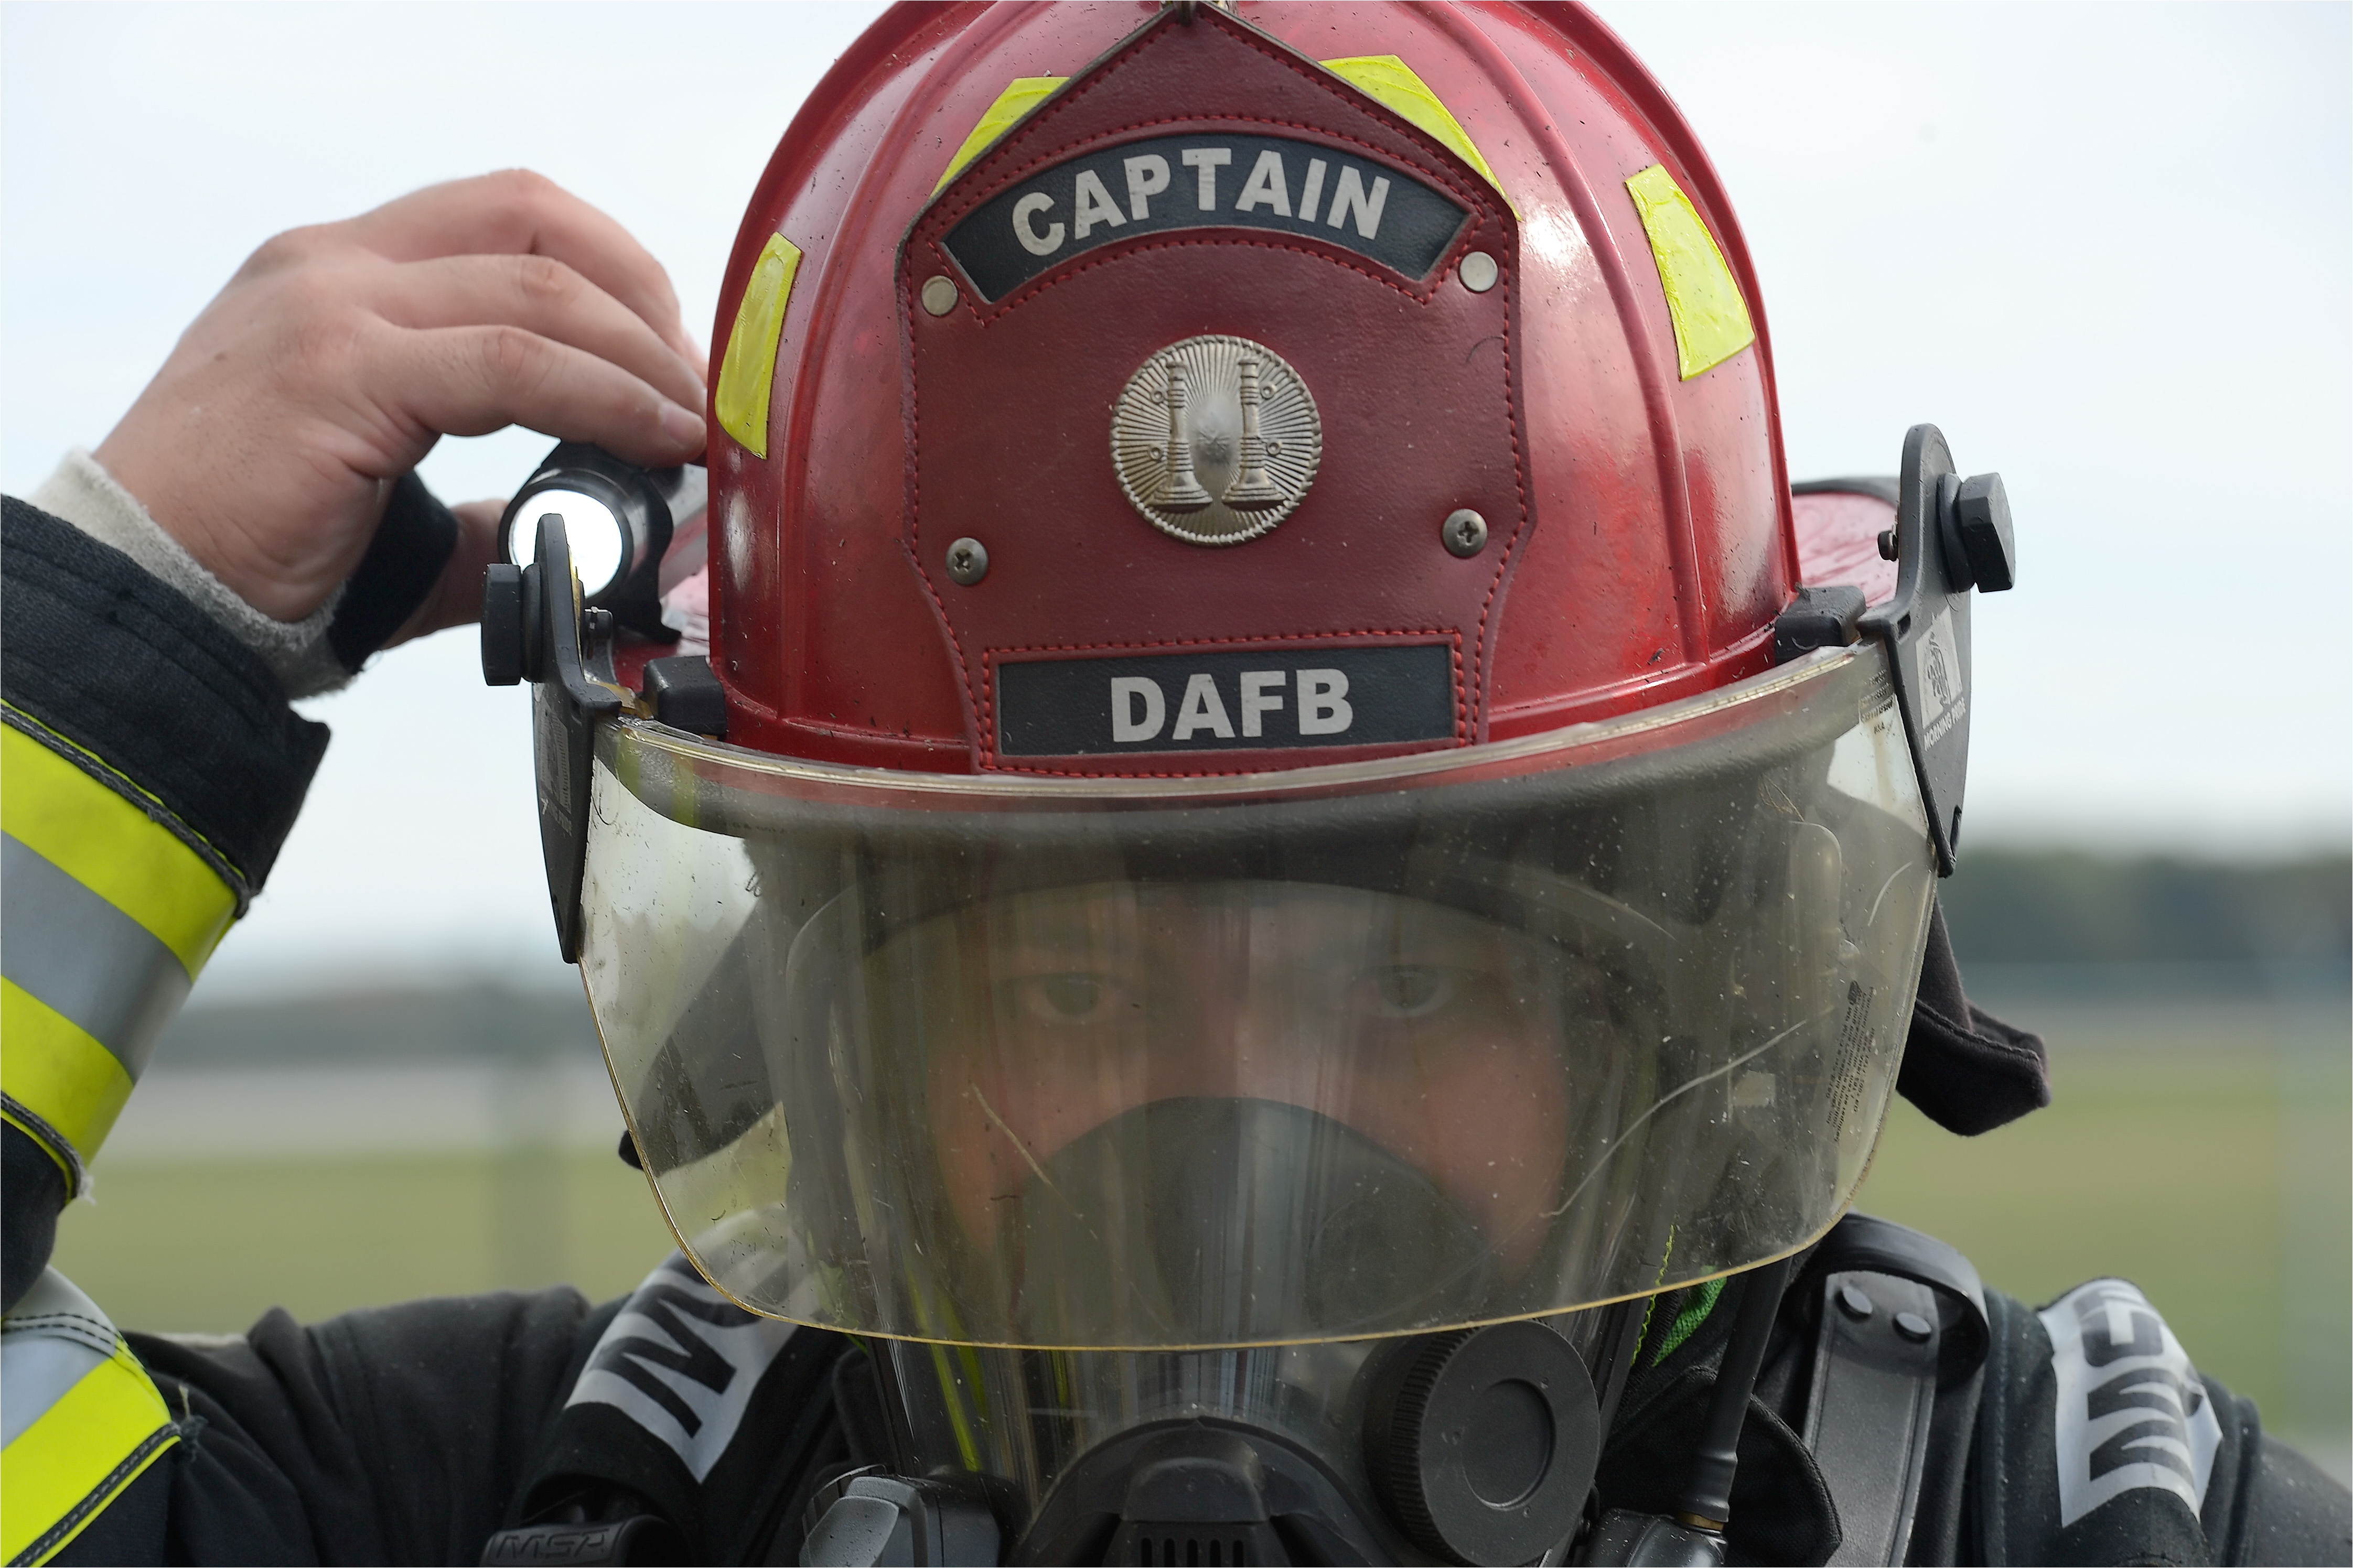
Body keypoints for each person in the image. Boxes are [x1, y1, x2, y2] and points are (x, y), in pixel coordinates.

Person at [2, 6, 2345, 1565]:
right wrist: (118, 650)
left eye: (1410, 998)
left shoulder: (2072, 1520)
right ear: (848, 1050)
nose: (1239, 1137)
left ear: (1673, 1032)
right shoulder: (584, 1497)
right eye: (1071, 990)